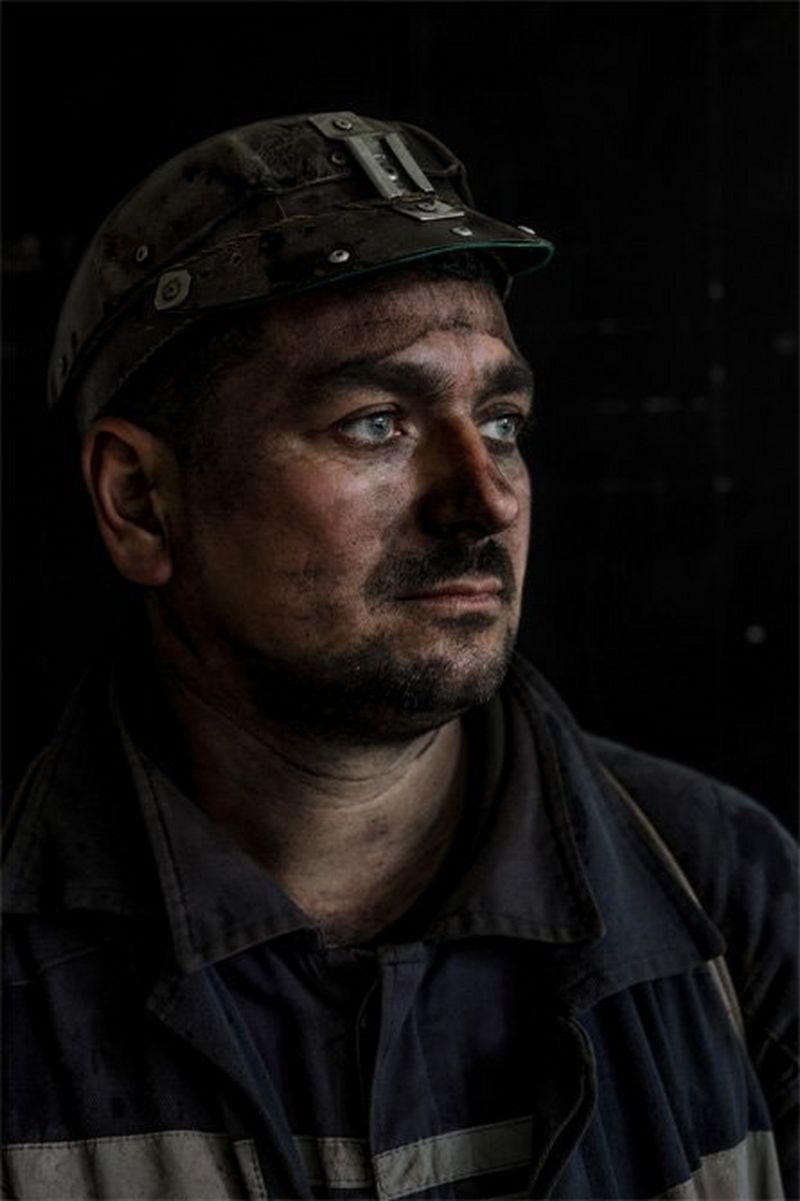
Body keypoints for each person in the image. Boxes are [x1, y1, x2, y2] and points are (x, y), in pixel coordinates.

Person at [2, 110, 796, 1201]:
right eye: (377, 421)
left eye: (502, 419)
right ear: (142, 501)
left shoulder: (731, 899)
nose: (482, 498)